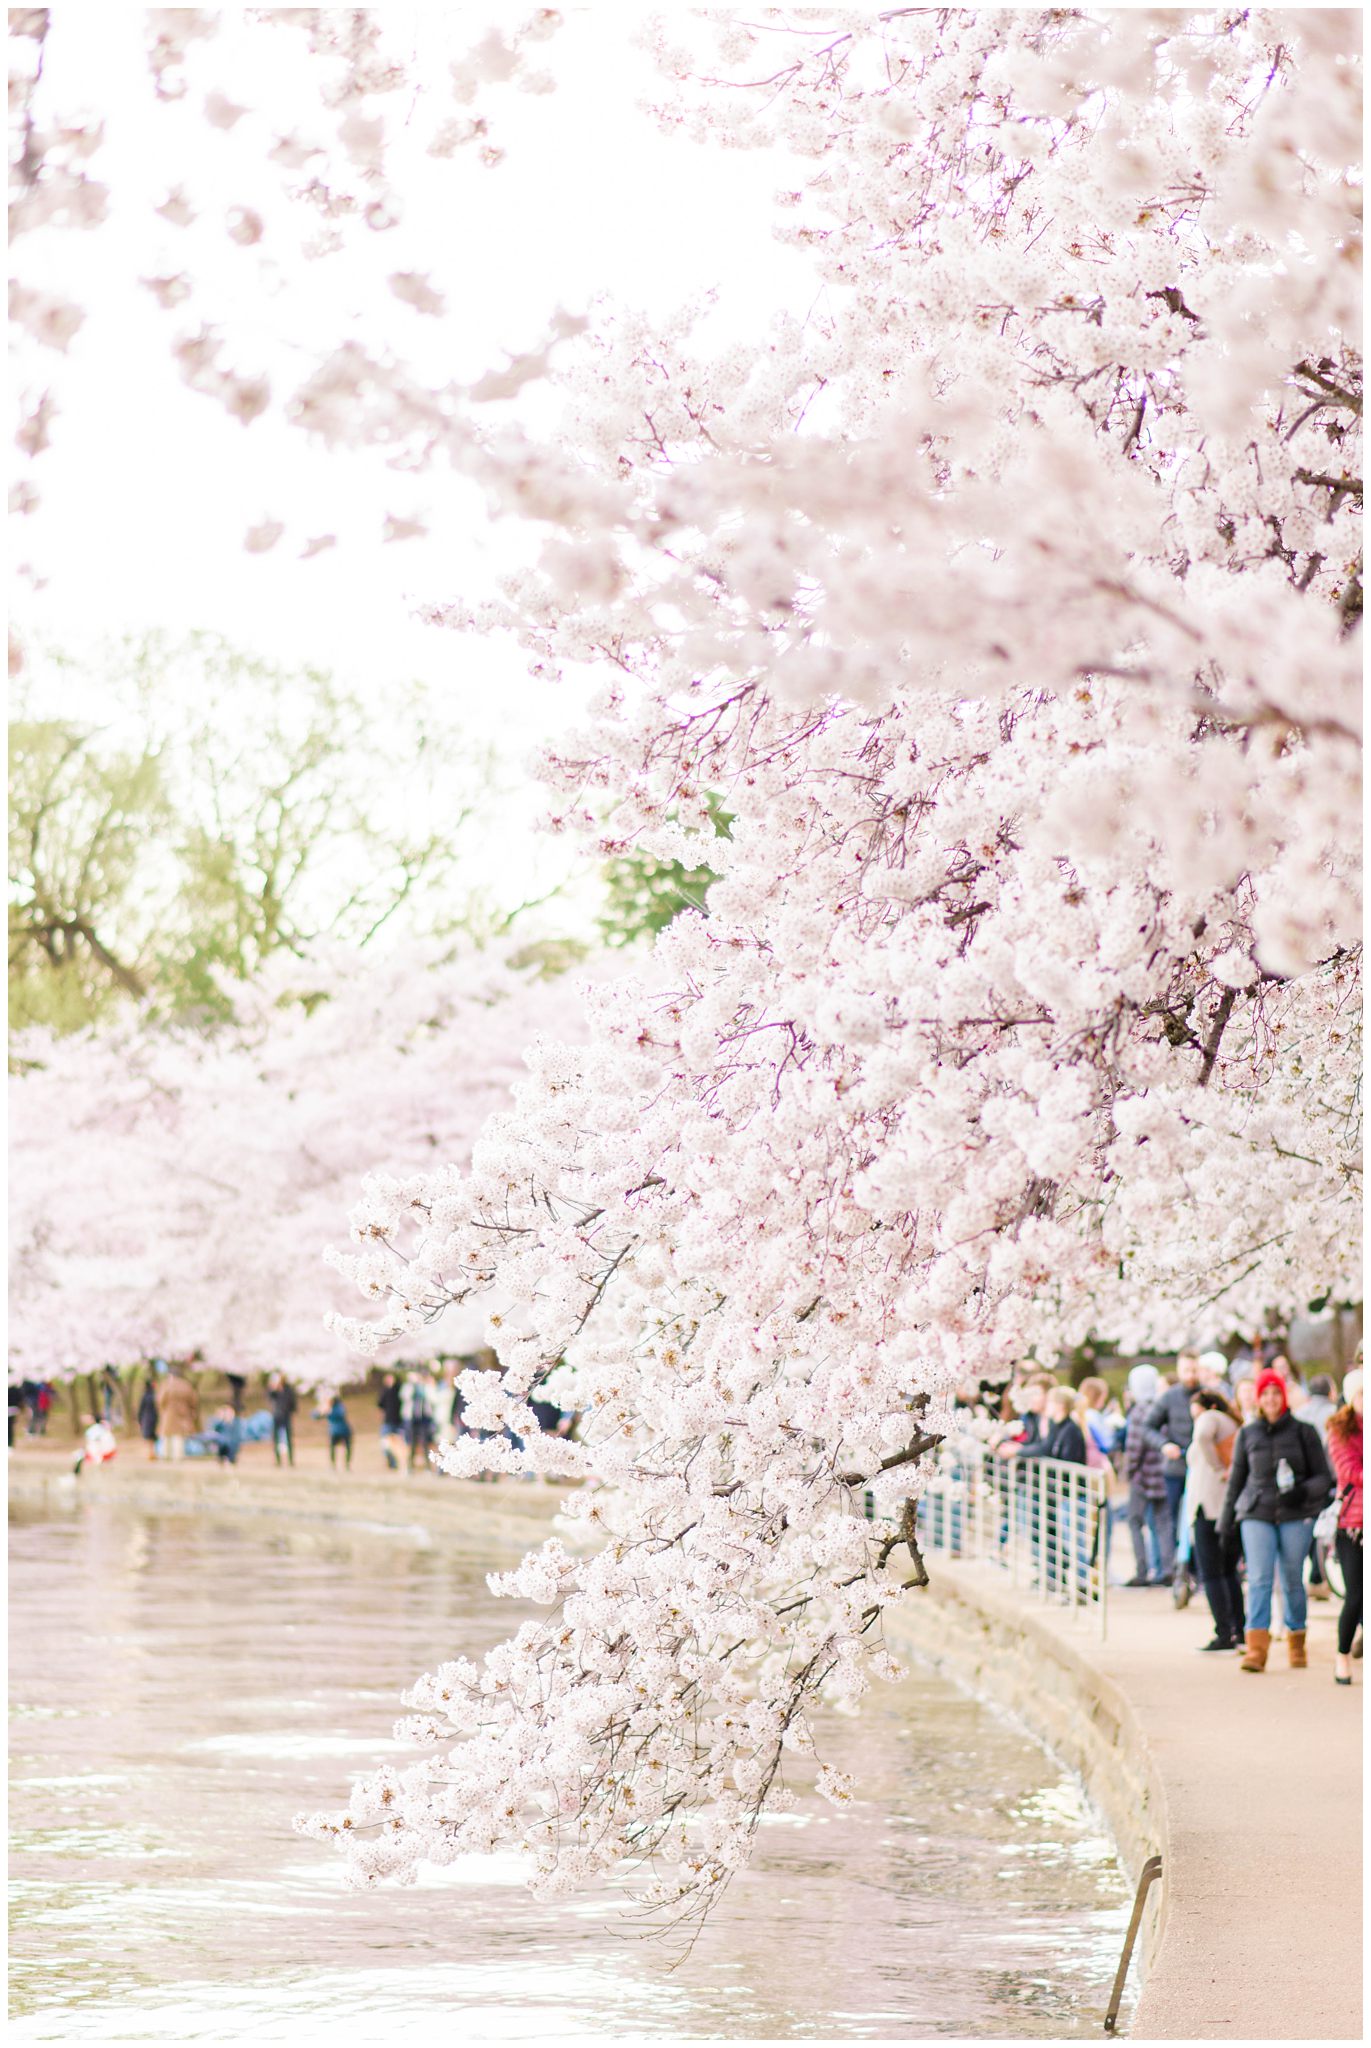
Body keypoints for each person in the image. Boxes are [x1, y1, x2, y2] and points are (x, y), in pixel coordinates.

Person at [1220, 1368, 1334, 1672]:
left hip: (1295, 1514)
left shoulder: (1304, 1431)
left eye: (1276, 1392)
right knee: (1258, 1579)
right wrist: (1225, 1522)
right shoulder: (1248, 1433)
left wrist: (1302, 1492)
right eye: (1265, 1393)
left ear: (1284, 1396)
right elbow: (1236, 1481)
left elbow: (1324, 1476)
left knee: (1292, 1578)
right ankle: (1257, 1648)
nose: (1270, 1399)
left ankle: (1297, 1638)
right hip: (1257, 1512)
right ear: (1258, 1398)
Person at [1187, 1389, 1244, 1651]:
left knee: (1211, 1573)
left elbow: (1200, 1435)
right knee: (1229, 1571)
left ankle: (1223, 1632)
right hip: (1227, 1507)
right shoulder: (1233, 1424)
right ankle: (1239, 1630)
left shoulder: (1210, 1418)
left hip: (1207, 1507)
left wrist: (1217, 1468)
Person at [1149, 1353, 1201, 1584]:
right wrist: (1164, 1445)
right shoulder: (1169, 1397)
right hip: (1175, 1468)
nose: (1190, 1375)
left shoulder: (1209, 1394)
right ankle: (1174, 1570)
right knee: (1171, 1519)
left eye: (1194, 1370)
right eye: (1186, 1370)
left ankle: (1199, 1571)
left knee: (1200, 1519)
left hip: (1201, 1468)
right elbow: (1148, 1427)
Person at [1326, 1369, 1363, 1687]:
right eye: (1361, 1394)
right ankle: (1342, 1655)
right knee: (1356, 1596)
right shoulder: (1341, 1430)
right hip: (1352, 1525)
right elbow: (1350, 1472)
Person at [1123, 1364, 1174, 1586]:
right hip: (1162, 1474)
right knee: (1163, 1523)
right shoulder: (1163, 1407)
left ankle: (1142, 1569)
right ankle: (1167, 1569)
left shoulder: (1138, 1412)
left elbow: (1134, 1447)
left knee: (1134, 1521)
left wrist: (1129, 1471)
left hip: (1142, 1477)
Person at [156, 1361, 200, 1461]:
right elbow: (193, 1400)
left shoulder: (167, 1385)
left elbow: (161, 1400)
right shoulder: (186, 1385)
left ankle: (165, 1456)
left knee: (166, 1437)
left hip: (168, 1414)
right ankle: (177, 1457)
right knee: (178, 1437)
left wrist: (162, 1410)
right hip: (183, 1414)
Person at [316, 1392, 353, 1470]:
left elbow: (341, 1414)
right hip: (334, 1431)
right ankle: (333, 1464)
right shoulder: (327, 1407)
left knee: (347, 1448)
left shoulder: (338, 1406)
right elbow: (315, 1416)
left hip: (344, 1430)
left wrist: (329, 1411)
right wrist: (320, 1411)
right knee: (332, 1448)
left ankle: (347, 1464)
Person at [267, 1373, 297, 1467]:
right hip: (276, 1416)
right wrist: (274, 1388)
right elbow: (270, 1397)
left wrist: (289, 1410)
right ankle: (278, 1460)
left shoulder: (288, 1390)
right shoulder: (273, 1391)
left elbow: (293, 1404)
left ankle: (291, 1460)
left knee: (289, 1439)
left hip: (286, 1416)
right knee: (276, 1439)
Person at [73, 1412, 117, 1476]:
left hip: (98, 1453)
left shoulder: (91, 1430)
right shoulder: (106, 1429)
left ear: (93, 1420)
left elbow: (90, 1443)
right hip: (110, 1452)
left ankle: (76, 1473)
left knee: (79, 1454)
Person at [377, 1371, 404, 1470]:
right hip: (388, 1421)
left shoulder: (399, 1390)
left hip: (398, 1421)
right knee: (386, 1444)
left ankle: (398, 1462)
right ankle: (390, 1462)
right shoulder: (384, 1391)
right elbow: (380, 1404)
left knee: (399, 1445)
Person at [137, 1373, 160, 1461]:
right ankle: (153, 1453)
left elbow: (141, 1409)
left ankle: (151, 1453)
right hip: (155, 1418)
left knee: (150, 1438)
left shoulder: (145, 1396)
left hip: (146, 1419)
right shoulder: (155, 1395)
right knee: (153, 1437)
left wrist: (139, 1420)